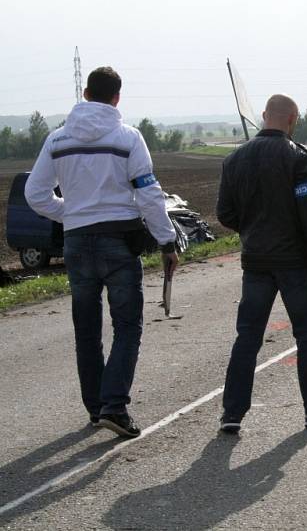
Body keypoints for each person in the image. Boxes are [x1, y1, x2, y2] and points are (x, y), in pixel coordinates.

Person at [25, 66, 179, 438]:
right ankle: (115, 406)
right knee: (128, 325)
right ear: (117, 98)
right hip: (118, 242)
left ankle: (96, 409)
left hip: (76, 242)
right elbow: (148, 193)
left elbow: (35, 194)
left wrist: (72, 214)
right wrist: (167, 240)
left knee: (86, 329)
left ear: (86, 94)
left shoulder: (57, 139)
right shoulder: (128, 137)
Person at [216, 93, 307, 434]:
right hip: (294, 261)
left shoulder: (234, 159)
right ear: (293, 120)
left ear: (264, 115)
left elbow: (225, 213)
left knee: (247, 337)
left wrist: (251, 229)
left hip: (255, 260)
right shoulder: (298, 158)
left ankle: (231, 412)